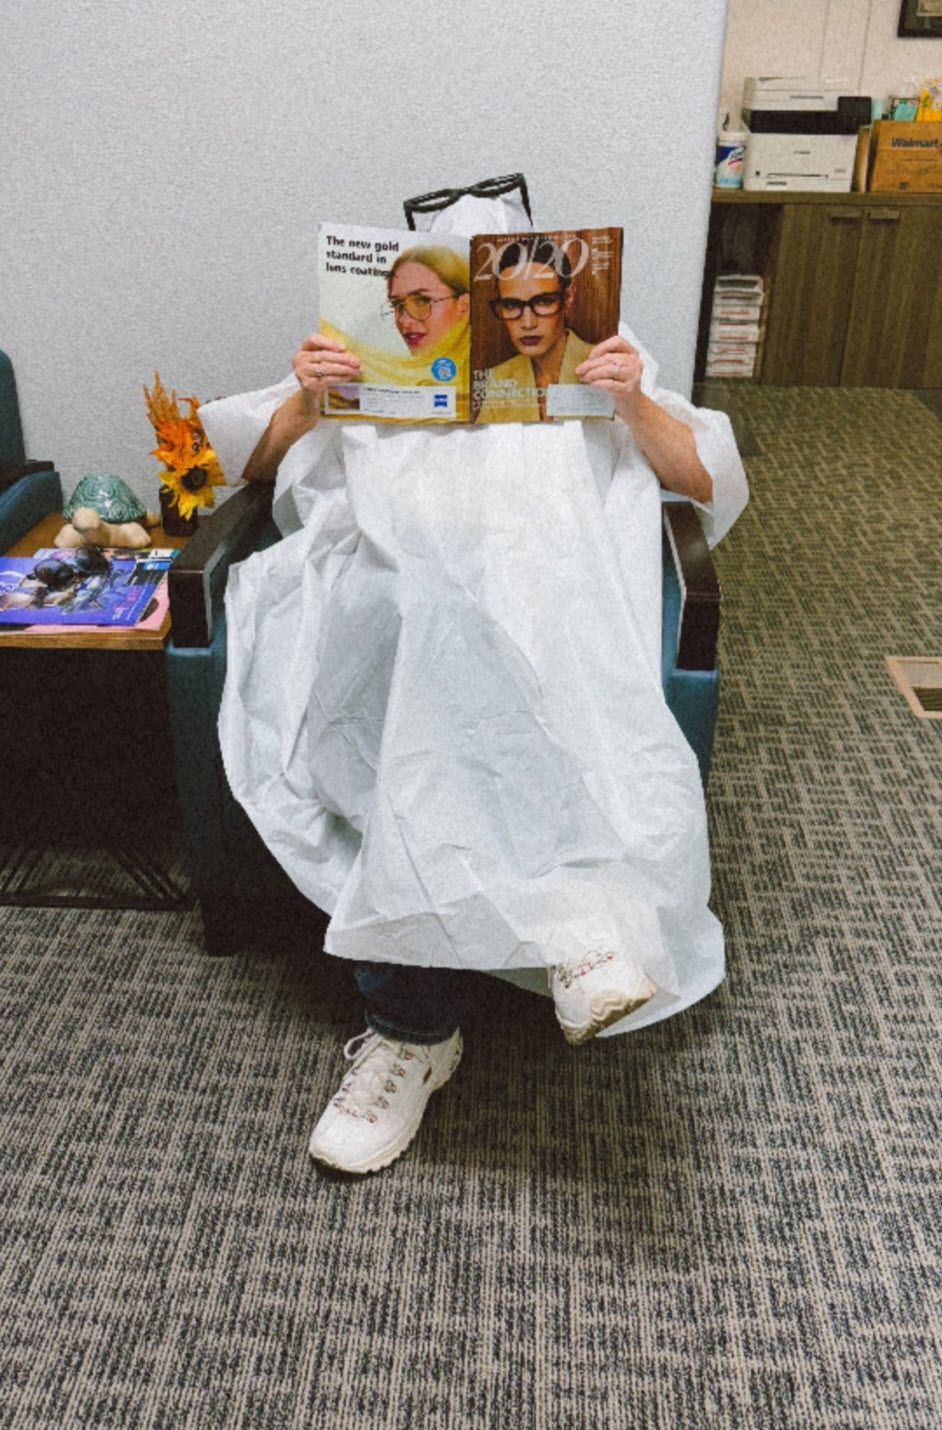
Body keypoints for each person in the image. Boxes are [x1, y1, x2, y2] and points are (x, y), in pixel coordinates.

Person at [199, 183, 749, 1177]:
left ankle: (435, 1011)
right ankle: (524, 963)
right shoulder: (370, 360)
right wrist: (304, 394)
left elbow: (702, 476)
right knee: (427, 623)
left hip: (546, 595)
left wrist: (628, 397)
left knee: (504, 625)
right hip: (385, 602)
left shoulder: (593, 356)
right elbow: (254, 467)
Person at [319, 245, 471, 420]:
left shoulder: (497, 379)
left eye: (422, 301)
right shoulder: (363, 369)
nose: (404, 321)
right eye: (397, 304)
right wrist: (308, 395)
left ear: (464, 306)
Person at [475, 237, 594, 423]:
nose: (528, 323)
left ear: (568, 297)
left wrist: (633, 398)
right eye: (512, 305)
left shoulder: (602, 363)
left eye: (543, 302)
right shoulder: (500, 377)